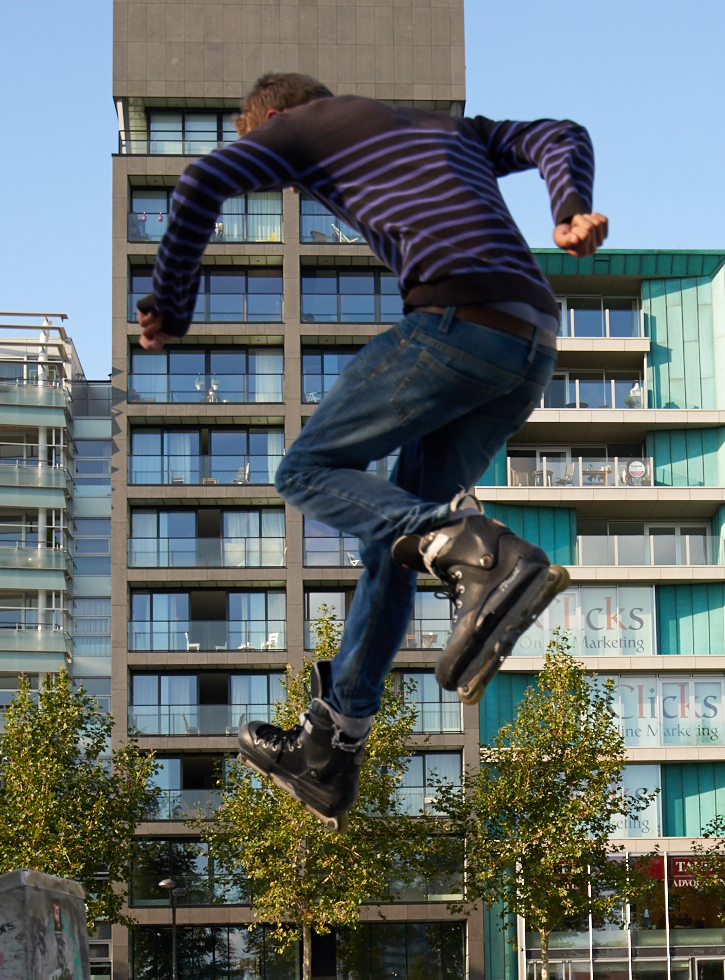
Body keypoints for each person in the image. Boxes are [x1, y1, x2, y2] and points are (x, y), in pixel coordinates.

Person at [139, 72, 605, 827]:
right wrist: (570, 207)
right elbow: (561, 133)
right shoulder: (446, 129)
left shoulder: (306, 124)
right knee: (392, 540)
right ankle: (333, 748)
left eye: (261, 143)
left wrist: (175, 303)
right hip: (528, 344)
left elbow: (202, 181)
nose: (279, 175)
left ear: (274, 117)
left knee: (307, 468)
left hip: (457, 322)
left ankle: (477, 550)